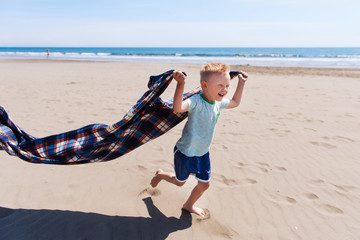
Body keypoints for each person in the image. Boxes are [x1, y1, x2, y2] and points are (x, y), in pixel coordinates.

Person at [150, 62, 248, 217]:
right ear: (205, 85)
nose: (225, 90)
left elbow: (235, 102)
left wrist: (241, 83)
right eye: (220, 85)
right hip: (185, 152)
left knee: (204, 184)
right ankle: (160, 174)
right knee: (179, 182)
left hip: (203, 153)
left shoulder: (218, 103)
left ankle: (189, 205)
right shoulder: (196, 101)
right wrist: (180, 84)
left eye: (227, 85)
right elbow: (177, 108)